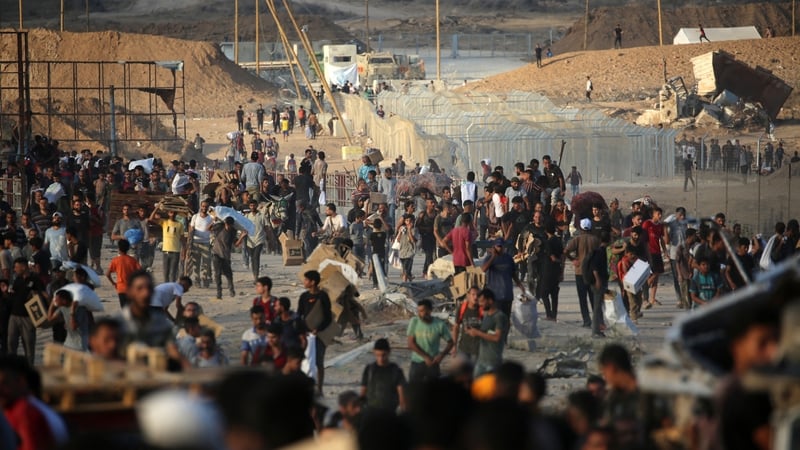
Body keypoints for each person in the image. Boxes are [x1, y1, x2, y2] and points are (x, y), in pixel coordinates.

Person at [116, 270, 185, 365]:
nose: (145, 293)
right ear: (129, 292)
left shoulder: (162, 325)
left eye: (149, 288)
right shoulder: (117, 324)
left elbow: (172, 350)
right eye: (139, 288)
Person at [598, 344, 641, 450]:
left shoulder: (646, 393)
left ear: (611, 368)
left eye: (604, 372)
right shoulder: (614, 397)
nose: (605, 377)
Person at [297, 270, 332, 395]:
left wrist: (319, 329)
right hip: (306, 336)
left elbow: (328, 317)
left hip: (320, 335)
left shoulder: (323, 297)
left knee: (318, 362)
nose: (304, 282)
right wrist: (302, 332)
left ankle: (320, 388)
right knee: (304, 362)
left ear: (313, 282)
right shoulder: (304, 297)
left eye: (306, 280)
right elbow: (299, 315)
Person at [7, 259, 47, 364]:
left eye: (16, 267)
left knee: (28, 344)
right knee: (11, 343)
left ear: (24, 267)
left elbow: (43, 294)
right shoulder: (18, 279)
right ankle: (12, 368)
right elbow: (13, 293)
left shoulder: (35, 279)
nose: (15, 269)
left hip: (28, 317)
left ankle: (29, 368)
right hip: (14, 316)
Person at [407, 299, 453, 383]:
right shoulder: (414, 321)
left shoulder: (439, 325)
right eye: (419, 311)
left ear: (430, 310)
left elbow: (450, 342)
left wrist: (441, 356)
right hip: (417, 362)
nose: (420, 314)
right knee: (413, 390)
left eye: (423, 311)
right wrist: (425, 357)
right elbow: (410, 343)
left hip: (433, 363)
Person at [565, 218, 601, 328]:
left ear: (580, 228)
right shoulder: (595, 240)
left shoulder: (577, 239)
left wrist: (573, 260)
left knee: (582, 298)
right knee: (593, 297)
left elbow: (565, 251)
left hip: (580, 271)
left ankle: (586, 320)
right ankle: (597, 320)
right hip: (592, 272)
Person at [466, 288, 509, 377]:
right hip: (481, 361)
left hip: (492, 362)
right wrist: (473, 332)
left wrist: (477, 333)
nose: (480, 304)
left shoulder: (499, 317)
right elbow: (486, 334)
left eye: (482, 301)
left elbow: (497, 337)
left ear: (490, 301)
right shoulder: (486, 316)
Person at [481, 238, 522, 326]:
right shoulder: (488, 258)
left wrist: (520, 285)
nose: (500, 249)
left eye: (501, 246)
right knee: (496, 320)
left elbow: (513, 273)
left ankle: (504, 338)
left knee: (505, 320)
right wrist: (493, 257)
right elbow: (483, 269)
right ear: (494, 247)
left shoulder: (508, 258)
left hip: (507, 294)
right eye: (498, 246)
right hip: (495, 296)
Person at [360, 338, 406, 413]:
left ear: (389, 352)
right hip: (371, 412)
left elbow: (402, 395)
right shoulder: (369, 370)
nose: (381, 359)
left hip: (389, 413)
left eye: (383, 355)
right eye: (378, 355)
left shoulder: (396, 371)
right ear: (374, 352)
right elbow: (363, 392)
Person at [211, 216, 247, 299]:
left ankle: (231, 290)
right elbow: (209, 229)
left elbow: (236, 244)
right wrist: (214, 220)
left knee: (229, 274)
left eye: (229, 225)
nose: (228, 226)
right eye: (227, 224)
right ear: (225, 223)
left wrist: (242, 236)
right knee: (217, 274)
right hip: (216, 253)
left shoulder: (232, 232)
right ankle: (219, 293)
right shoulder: (219, 228)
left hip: (226, 256)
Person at [149, 204, 184, 283]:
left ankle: (172, 287)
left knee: (173, 272)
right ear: (168, 213)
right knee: (166, 273)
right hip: (166, 251)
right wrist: (157, 208)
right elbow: (151, 218)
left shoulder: (179, 224)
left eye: (174, 212)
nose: (172, 214)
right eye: (171, 212)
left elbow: (182, 239)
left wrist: (184, 250)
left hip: (175, 251)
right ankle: (166, 287)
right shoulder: (164, 222)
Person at [641, 207, 666, 309]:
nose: (659, 216)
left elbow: (662, 240)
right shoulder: (647, 224)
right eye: (658, 214)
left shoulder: (660, 226)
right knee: (653, 274)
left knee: (657, 274)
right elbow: (643, 238)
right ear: (653, 214)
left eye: (661, 214)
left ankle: (652, 298)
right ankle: (643, 293)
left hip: (657, 252)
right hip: (649, 252)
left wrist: (665, 251)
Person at [107, 239, 141, 308]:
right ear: (128, 249)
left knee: (124, 310)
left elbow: (107, 274)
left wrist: (113, 283)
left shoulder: (115, 260)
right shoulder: (132, 260)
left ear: (119, 249)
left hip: (121, 288)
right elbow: (141, 273)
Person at [188, 200, 214, 288]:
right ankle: (197, 280)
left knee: (207, 263)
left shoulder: (211, 218)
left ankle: (205, 278)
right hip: (196, 243)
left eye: (206, 207)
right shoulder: (195, 217)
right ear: (200, 206)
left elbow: (212, 230)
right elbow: (191, 228)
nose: (204, 208)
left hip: (206, 243)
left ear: (208, 207)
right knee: (196, 263)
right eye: (203, 206)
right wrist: (190, 241)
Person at [451, 287, 481, 362]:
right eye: (473, 294)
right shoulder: (462, 308)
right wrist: (454, 346)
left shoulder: (482, 309)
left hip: (478, 350)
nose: (475, 297)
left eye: (478, 295)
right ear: (468, 295)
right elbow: (456, 327)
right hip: (463, 348)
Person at [244, 200, 270, 281]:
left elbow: (267, 228)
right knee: (252, 258)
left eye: (254, 205)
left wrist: (270, 239)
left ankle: (256, 276)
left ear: (257, 206)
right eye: (251, 205)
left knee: (256, 257)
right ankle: (254, 273)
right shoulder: (247, 216)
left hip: (259, 240)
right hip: (249, 241)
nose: (252, 207)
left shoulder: (262, 216)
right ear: (249, 206)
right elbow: (243, 228)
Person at [395, 214, 416, 282]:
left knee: (405, 270)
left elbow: (412, 240)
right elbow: (398, 240)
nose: (408, 222)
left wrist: (409, 230)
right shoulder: (403, 229)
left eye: (410, 221)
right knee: (405, 270)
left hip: (409, 253)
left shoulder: (414, 230)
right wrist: (400, 232)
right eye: (407, 221)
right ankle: (409, 278)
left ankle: (405, 283)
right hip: (402, 252)